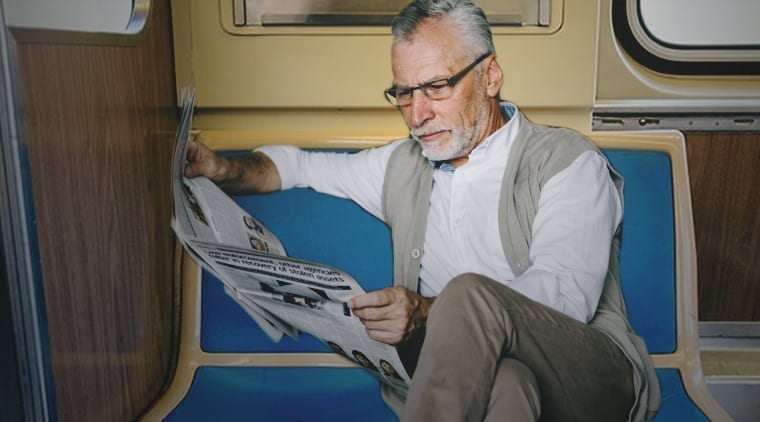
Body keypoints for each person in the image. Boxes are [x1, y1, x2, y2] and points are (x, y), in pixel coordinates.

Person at [183, 1, 660, 420]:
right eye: (404, 93)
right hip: (484, 382)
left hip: (591, 379)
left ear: (489, 76)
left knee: (469, 295)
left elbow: (566, 296)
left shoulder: (567, 161)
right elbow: (298, 166)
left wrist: (433, 312)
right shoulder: (402, 165)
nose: (417, 114)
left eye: (435, 87)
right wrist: (224, 168)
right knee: (509, 386)